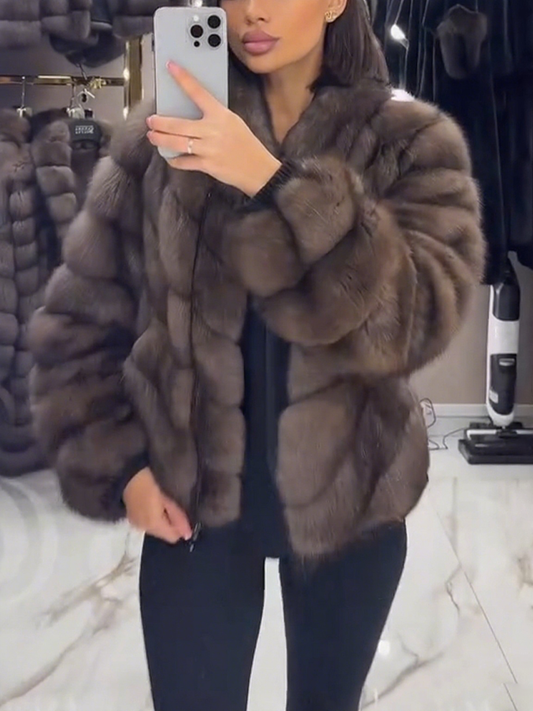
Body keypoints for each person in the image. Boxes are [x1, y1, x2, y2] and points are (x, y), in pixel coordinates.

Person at [28, 0, 486, 709]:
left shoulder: (407, 141)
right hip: (193, 512)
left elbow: (415, 322)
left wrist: (274, 183)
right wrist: (120, 466)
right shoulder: (161, 138)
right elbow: (78, 322)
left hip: (351, 508)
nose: (253, 11)